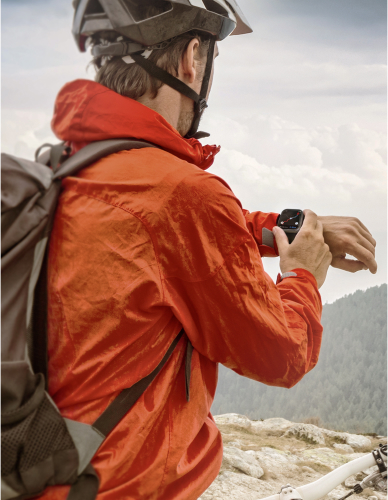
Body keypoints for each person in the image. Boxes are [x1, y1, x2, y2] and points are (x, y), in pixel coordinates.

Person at [42, 1, 377, 499]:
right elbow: (282, 353)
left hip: (45, 470)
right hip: (126, 487)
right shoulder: (182, 196)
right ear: (192, 59)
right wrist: (302, 275)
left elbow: (168, 232)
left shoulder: (67, 167)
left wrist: (290, 228)